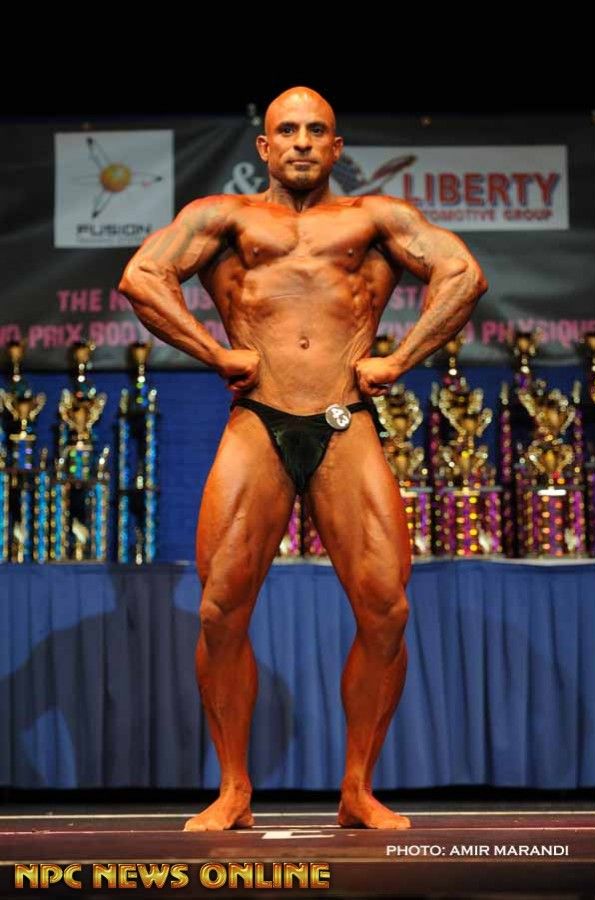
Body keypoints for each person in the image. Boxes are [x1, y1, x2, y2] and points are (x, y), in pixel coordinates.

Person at [119, 86, 487, 831]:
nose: (301, 142)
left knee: (386, 609)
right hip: (258, 419)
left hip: (344, 421)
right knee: (221, 609)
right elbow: (141, 278)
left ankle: (358, 789)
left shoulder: (374, 218)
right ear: (264, 146)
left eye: (317, 130)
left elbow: (463, 275)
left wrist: (401, 359)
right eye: (287, 130)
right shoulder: (224, 217)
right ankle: (233, 789)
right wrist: (215, 352)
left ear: (336, 146)